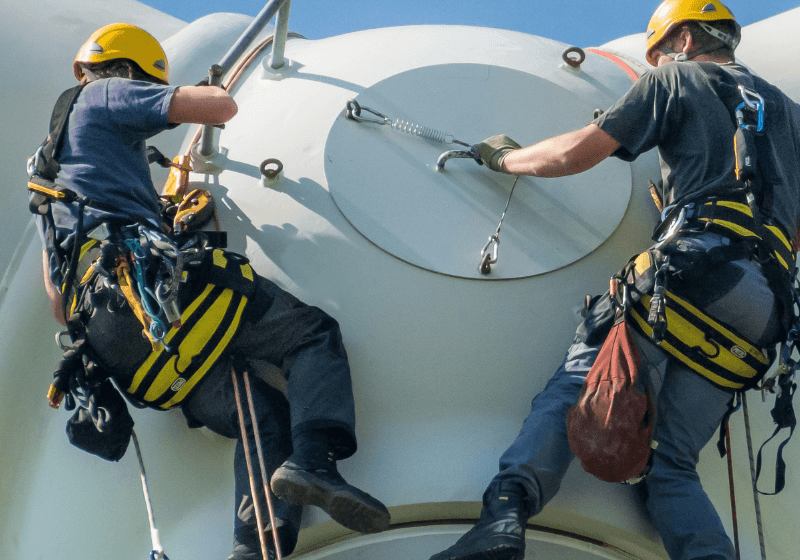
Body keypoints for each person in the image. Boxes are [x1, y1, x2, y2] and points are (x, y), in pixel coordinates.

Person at [430, 1, 800, 560]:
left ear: (679, 40)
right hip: (763, 309)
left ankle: (503, 520)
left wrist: (505, 160)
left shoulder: (675, 78)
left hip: (693, 271)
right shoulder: (793, 115)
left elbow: (579, 154)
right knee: (670, 465)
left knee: (579, 386)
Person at [31, 23, 390, 560]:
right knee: (311, 335)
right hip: (156, 293)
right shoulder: (108, 92)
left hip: (114, 340)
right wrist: (200, 92)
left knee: (261, 415)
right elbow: (219, 107)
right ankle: (314, 460)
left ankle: (253, 549)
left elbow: (57, 303)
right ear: (129, 71)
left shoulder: (44, 169)